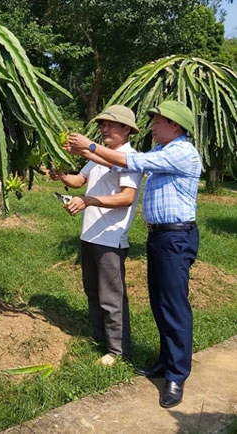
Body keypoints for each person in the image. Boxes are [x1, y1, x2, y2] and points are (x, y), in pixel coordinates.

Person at [66, 100, 201, 409]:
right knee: (160, 303)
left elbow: (132, 164)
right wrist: (85, 151)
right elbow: (121, 163)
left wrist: (91, 145)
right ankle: (165, 362)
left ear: (176, 126)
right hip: (161, 236)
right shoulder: (160, 152)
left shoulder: (181, 152)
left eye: (158, 121)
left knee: (174, 306)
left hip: (176, 236)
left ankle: (177, 374)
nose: (152, 125)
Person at [50, 105, 142, 367]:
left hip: (111, 237)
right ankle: (100, 338)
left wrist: (88, 201)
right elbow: (80, 180)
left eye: (112, 125)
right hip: (90, 234)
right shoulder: (100, 155)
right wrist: (61, 176)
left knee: (111, 296)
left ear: (126, 129)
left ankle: (119, 351)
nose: (105, 129)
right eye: (103, 124)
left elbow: (127, 197)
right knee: (92, 291)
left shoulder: (129, 158)